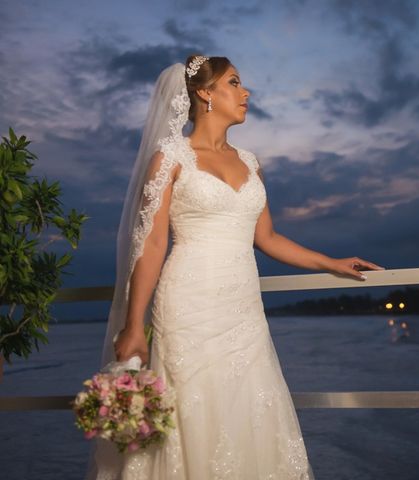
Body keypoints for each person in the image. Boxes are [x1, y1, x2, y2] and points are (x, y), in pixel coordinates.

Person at [85, 55, 383, 479]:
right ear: (205, 93)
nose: (246, 93)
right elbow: (151, 243)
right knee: (192, 410)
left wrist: (332, 263)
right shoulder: (170, 156)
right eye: (235, 83)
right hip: (188, 305)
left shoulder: (251, 160)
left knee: (249, 407)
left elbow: (268, 239)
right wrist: (134, 325)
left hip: (244, 311)